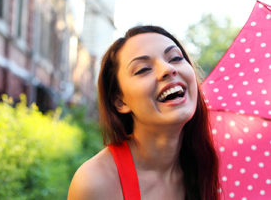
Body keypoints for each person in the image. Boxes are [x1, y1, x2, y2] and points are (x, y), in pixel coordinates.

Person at [68, 25, 220, 200]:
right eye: (143, 69)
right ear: (120, 101)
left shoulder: (210, 167)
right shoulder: (95, 183)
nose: (168, 69)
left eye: (176, 58)